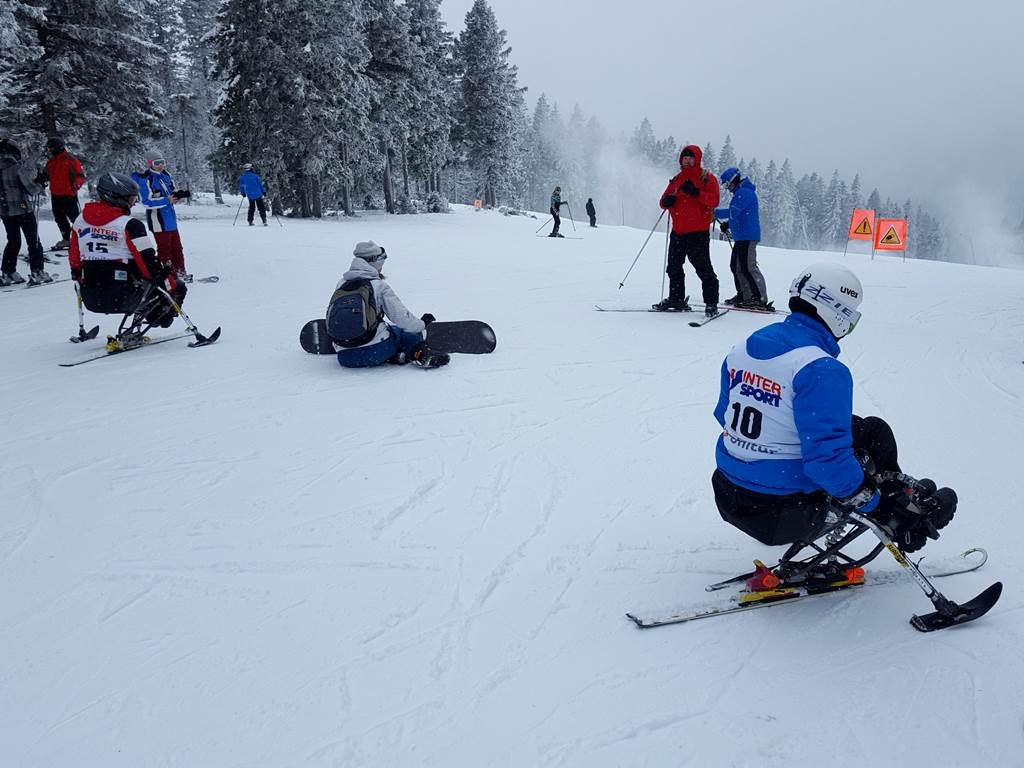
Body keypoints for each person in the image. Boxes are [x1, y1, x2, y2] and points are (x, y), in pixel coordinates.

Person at [711, 262, 957, 582]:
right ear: (836, 312)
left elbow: (724, 414)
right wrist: (878, 510)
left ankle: (900, 491)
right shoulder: (820, 368)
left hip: (729, 491)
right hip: (782, 512)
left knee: (871, 430)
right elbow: (827, 462)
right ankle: (905, 519)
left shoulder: (746, 347)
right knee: (855, 452)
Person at [69, 172, 187, 335]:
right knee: (177, 287)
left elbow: (74, 257)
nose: (133, 204)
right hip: (124, 295)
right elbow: (148, 263)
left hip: (90, 294)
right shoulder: (130, 225)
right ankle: (159, 318)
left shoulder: (80, 220)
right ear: (118, 198)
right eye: (131, 199)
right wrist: (168, 280)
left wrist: (78, 275)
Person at [326, 241, 448, 369]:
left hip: (345, 357)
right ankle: (421, 353)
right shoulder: (378, 286)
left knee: (384, 330)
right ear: (375, 263)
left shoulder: (342, 283)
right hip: (376, 352)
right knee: (402, 333)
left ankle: (397, 357)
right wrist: (421, 325)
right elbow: (403, 319)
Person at [657, 145, 721, 316]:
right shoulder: (677, 179)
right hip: (678, 232)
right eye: (684, 158)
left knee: (703, 269)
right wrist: (667, 201)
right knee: (673, 267)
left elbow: (714, 201)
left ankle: (711, 303)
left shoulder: (707, 178)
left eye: (690, 158)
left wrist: (696, 193)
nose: (687, 160)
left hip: (698, 233)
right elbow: (663, 200)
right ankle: (676, 299)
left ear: (697, 159)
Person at [131, 151, 192, 282]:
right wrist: (167, 200)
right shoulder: (146, 179)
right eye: (156, 163)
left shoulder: (165, 175)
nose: (160, 166)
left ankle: (180, 273)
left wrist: (179, 195)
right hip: (158, 220)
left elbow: (171, 192)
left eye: (162, 162)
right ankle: (168, 276)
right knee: (165, 250)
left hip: (170, 219)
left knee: (177, 248)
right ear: (149, 164)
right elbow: (146, 202)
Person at [715, 167, 768, 310]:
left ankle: (759, 298)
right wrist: (728, 224)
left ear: (733, 180)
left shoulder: (744, 193)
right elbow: (739, 215)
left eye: (727, 184)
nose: (727, 188)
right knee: (736, 267)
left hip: (748, 237)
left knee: (748, 267)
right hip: (741, 237)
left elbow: (734, 212)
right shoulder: (740, 193)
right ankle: (745, 295)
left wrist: (713, 213)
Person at [0, 138, 50, 286]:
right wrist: (40, 182)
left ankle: (8, 273)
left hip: (5, 211)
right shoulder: (16, 167)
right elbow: (32, 189)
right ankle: (37, 272)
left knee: (13, 241)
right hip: (22, 209)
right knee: (33, 241)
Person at [42, 136, 86, 250]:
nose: (49, 151)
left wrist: (76, 184)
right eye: (48, 148)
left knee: (75, 219)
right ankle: (67, 239)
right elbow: (46, 174)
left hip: (69, 195)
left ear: (57, 147)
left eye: (50, 148)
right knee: (59, 218)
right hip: (56, 195)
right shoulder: (51, 161)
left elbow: (80, 175)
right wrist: (40, 178)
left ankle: (83, 240)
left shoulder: (71, 160)